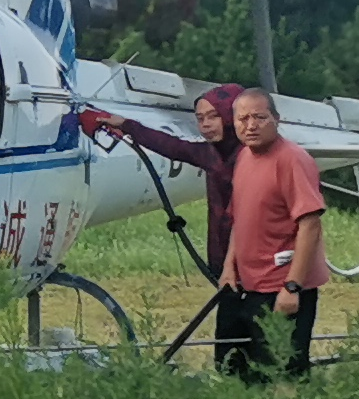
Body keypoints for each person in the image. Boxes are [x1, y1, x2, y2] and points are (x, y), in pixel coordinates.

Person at [78, 84, 245, 310]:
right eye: (200, 118)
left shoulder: (252, 158)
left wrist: (231, 266)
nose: (205, 125)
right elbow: (172, 146)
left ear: (232, 116)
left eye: (214, 116)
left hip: (256, 262)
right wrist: (127, 126)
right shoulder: (212, 154)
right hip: (224, 259)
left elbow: (245, 219)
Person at [216, 87, 328, 379]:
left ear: (276, 119)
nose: (250, 125)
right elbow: (240, 218)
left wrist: (293, 287)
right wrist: (230, 266)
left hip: (282, 286)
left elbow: (310, 223)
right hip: (248, 285)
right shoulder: (244, 157)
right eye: (243, 119)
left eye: (259, 117)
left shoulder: (293, 160)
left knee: (282, 371)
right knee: (237, 368)